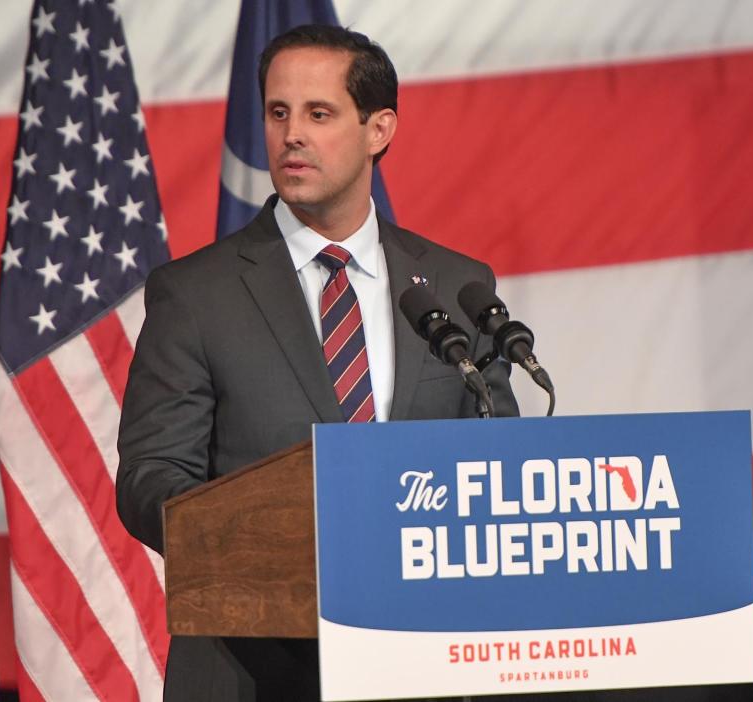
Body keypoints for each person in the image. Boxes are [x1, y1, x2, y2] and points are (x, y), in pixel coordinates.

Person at [117, 24, 519, 701]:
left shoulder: (455, 287)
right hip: (254, 671)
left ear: (378, 129)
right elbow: (150, 480)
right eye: (278, 113)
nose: (291, 134)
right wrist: (261, 548)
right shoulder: (195, 294)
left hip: (425, 666)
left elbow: (501, 464)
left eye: (318, 113)